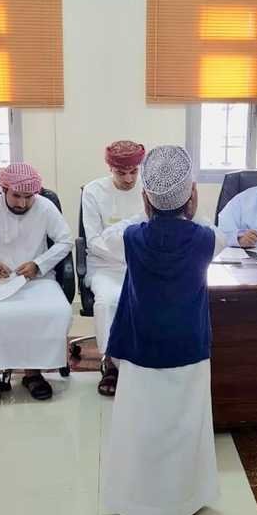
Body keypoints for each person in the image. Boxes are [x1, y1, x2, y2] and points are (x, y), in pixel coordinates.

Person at [102, 145, 226, 515]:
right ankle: (179, 508)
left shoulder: (130, 237)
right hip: (188, 347)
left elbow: (102, 240)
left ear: (145, 197)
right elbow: (215, 233)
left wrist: (147, 213)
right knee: (185, 425)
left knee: (143, 426)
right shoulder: (208, 239)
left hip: (142, 346)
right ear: (192, 195)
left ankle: (146, 510)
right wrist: (190, 211)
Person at [0, 162, 73, 405]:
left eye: (29, 197)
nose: (23, 203)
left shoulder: (45, 207)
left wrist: (39, 264)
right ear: (4, 189)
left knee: (57, 310)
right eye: (17, 196)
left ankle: (33, 373)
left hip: (37, 280)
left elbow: (65, 241)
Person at [81, 140, 145, 396]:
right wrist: (124, 252)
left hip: (141, 264)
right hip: (105, 266)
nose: (128, 179)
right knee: (109, 302)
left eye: (134, 172)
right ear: (110, 168)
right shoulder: (93, 191)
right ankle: (110, 363)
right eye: (121, 172)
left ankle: (142, 362)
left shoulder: (148, 189)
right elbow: (93, 240)